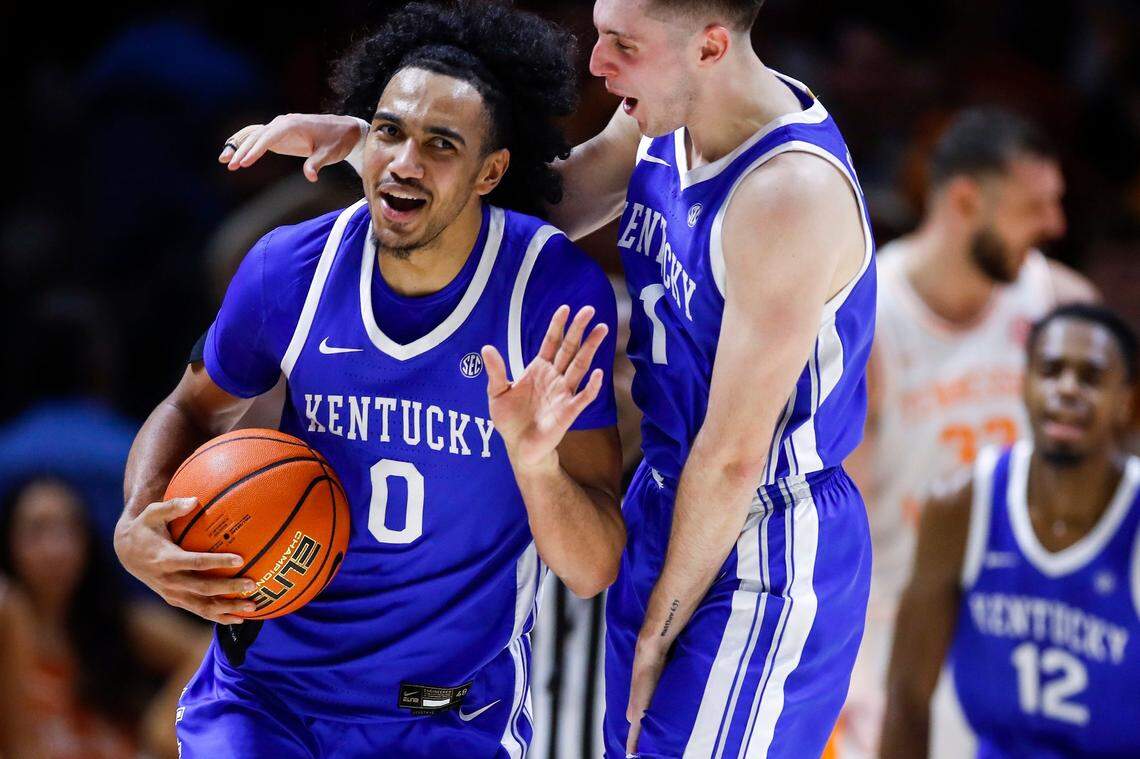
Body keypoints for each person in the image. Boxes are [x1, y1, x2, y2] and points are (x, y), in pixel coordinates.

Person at [220, 0, 875, 755]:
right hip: (669, 500)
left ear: (710, 47)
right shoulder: (663, 121)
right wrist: (369, 145)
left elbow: (733, 458)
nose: (596, 64)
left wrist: (659, 632)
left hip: (764, 531)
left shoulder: (786, 196)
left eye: (622, 44)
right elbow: (522, 200)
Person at [116, 4, 625, 757]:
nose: (404, 162)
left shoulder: (545, 296)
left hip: (446, 713)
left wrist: (535, 463)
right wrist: (137, 521)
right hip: (266, 696)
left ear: (492, 171)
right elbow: (191, 404)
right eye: (388, 132)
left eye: (441, 144)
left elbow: (592, 567)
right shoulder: (289, 268)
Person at [838, 109, 1098, 759]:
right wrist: (843, 671)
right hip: (892, 631)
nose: (1056, 226)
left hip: (1023, 622)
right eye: (1035, 207)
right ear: (963, 201)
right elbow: (836, 523)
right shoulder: (871, 319)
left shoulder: (1060, 307)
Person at [881, 303, 1140, 758]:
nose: (1067, 389)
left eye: (1091, 377)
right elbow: (907, 697)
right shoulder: (962, 504)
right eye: (1051, 370)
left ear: (1127, 403)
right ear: (1023, 384)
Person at [0, 476, 208, 759]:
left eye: (68, 530)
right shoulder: (8, 620)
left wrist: (162, 724)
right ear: (9, 541)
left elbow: (209, 648)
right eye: (37, 531)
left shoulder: (117, 619)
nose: (56, 549)